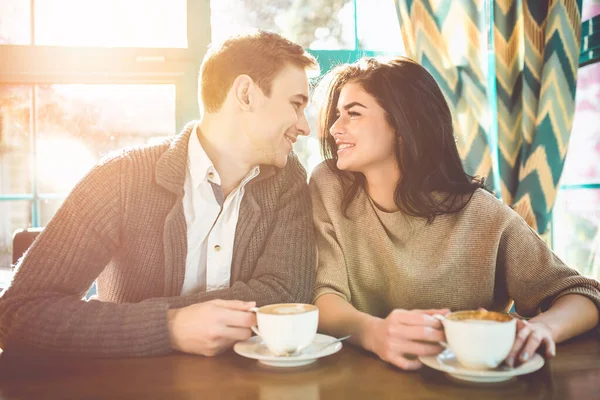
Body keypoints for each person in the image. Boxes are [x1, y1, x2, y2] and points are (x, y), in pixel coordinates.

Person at [0, 30, 318, 357]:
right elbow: (17, 313)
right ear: (246, 94)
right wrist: (168, 326)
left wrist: (125, 314)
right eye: (296, 105)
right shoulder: (120, 177)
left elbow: (286, 296)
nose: (305, 126)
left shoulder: (288, 179)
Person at [310, 56, 600, 371]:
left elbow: (581, 293)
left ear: (404, 125)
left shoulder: (480, 213)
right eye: (337, 115)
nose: (335, 128)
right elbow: (324, 295)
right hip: (358, 380)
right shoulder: (329, 187)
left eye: (353, 114)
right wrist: (373, 333)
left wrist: (543, 328)